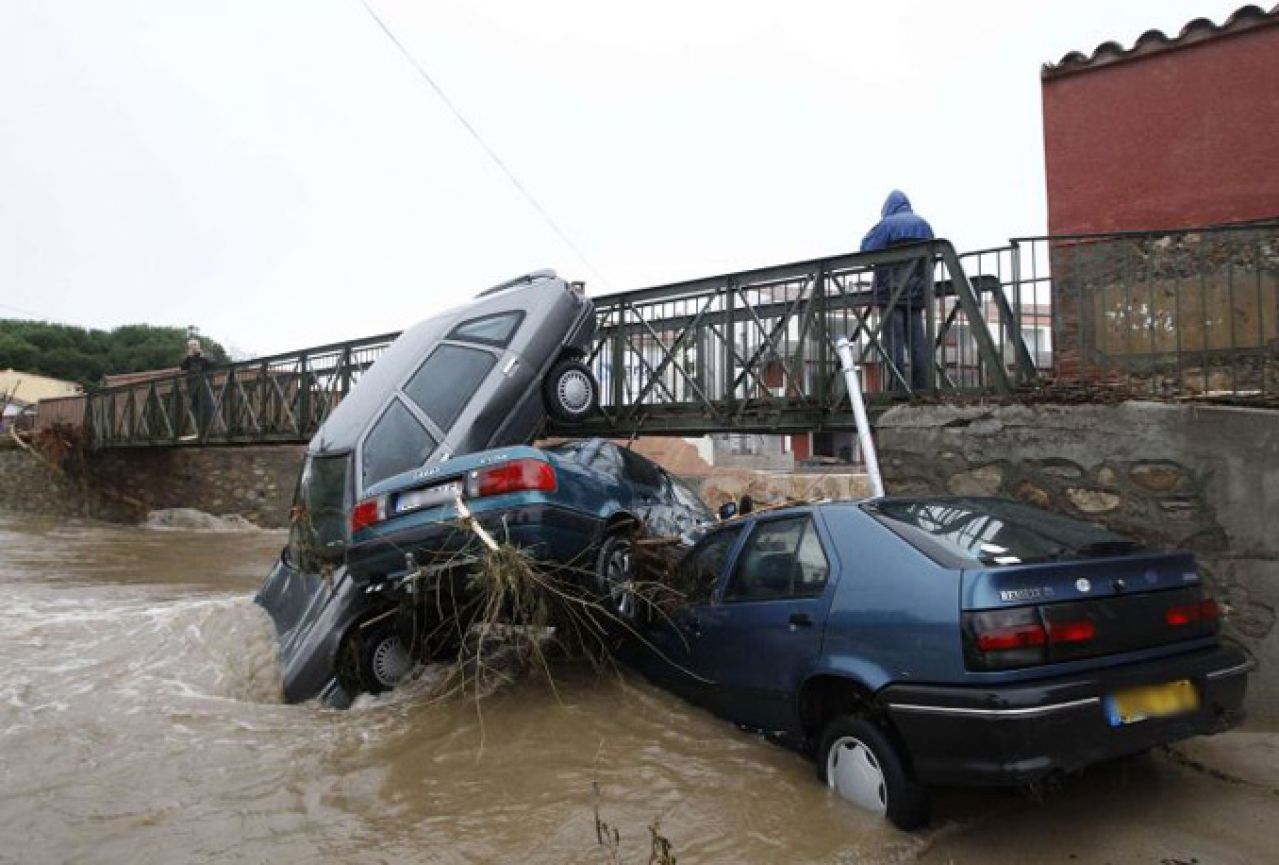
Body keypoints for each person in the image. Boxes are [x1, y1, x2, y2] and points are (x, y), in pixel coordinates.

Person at [860, 190, 934, 392]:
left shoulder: (886, 225)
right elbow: (932, 258)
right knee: (917, 344)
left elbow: (866, 251)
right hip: (917, 296)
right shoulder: (924, 225)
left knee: (894, 343)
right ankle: (923, 387)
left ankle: (897, 388)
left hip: (890, 293)